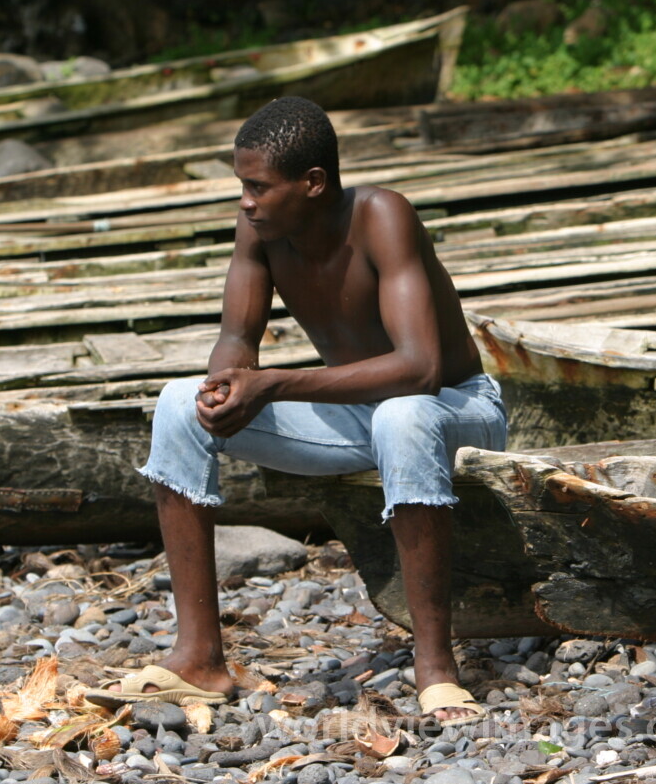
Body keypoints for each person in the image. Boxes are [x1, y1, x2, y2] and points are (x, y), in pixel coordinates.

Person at [87, 96, 505, 727]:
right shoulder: (260, 232)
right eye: (242, 186)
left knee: (402, 415)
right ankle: (199, 659)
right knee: (177, 404)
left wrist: (275, 383)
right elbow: (236, 338)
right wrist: (224, 387)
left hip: (454, 408)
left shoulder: (382, 216)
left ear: (312, 183)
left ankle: (436, 667)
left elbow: (419, 367)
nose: (246, 202)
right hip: (357, 416)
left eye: (258, 187)